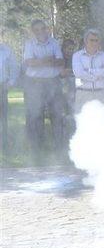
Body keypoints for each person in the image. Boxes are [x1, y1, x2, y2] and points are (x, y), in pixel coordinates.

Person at [23, 20, 65, 154]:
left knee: (57, 115)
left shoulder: (54, 42)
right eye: (37, 30)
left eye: (42, 28)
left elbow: (60, 61)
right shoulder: (29, 44)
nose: (40, 32)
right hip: (35, 83)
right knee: (36, 116)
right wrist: (49, 59)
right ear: (33, 31)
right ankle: (37, 148)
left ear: (47, 29)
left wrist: (39, 61)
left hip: (53, 82)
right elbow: (30, 63)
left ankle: (59, 147)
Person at [72, 29, 104, 112]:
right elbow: (78, 73)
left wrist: (88, 71)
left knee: (103, 122)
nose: (94, 43)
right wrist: (99, 72)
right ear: (85, 41)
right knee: (84, 123)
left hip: (101, 94)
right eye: (91, 40)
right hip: (83, 94)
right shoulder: (77, 56)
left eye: (96, 40)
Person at [0, 34, 19, 153]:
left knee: (2, 118)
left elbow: (14, 68)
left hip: (1, 87)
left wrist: (10, 82)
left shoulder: (7, 50)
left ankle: (3, 145)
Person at [60, 38, 76, 140]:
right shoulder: (59, 58)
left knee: (72, 113)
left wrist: (68, 71)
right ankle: (63, 137)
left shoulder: (75, 59)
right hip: (60, 92)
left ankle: (72, 136)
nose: (69, 51)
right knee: (62, 114)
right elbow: (60, 73)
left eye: (71, 49)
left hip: (72, 91)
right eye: (67, 48)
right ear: (63, 48)